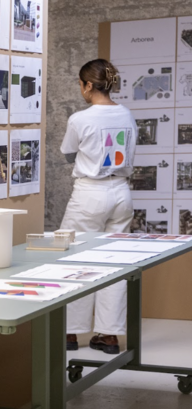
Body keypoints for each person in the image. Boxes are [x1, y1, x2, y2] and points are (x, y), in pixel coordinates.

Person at [60, 59, 136, 355]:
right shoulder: (126, 114)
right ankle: (109, 335)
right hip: (121, 193)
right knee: (114, 263)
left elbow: (69, 154)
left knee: (74, 259)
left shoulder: (80, 119)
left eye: (81, 84)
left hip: (90, 193)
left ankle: (70, 331)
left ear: (88, 85)